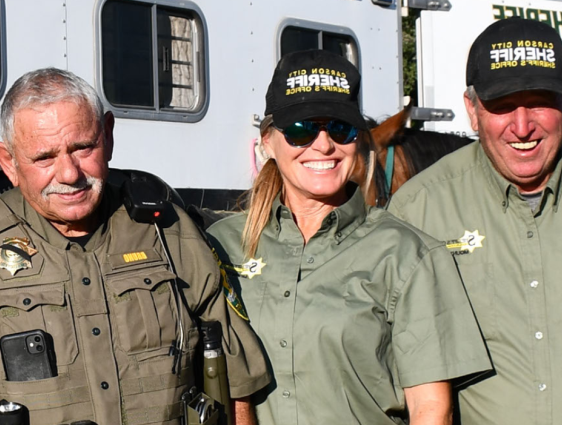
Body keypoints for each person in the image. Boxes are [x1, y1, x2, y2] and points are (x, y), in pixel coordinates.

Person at [0, 68, 270, 425]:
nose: (69, 174)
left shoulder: (166, 230)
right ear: (8, 161)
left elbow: (236, 382)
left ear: (108, 136)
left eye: (83, 148)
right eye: (44, 157)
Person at [387, 17, 562, 425]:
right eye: (502, 106)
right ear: (472, 109)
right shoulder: (419, 209)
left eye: (539, 101)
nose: (522, 127)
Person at [208, 50, 490, 425]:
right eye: (301, 129)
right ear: (268, 142)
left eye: (340, 128)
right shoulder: (221, 246)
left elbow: (431, 410)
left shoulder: (409, 253)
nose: (323, 144)